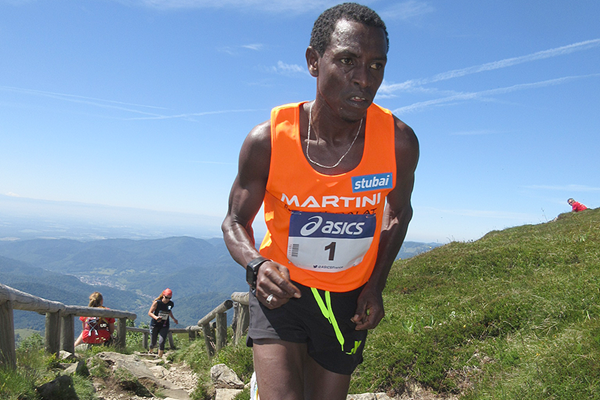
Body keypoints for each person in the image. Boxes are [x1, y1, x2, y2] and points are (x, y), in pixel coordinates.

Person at [222, 3, 419, 399]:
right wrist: (257, 265)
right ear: (314, 61)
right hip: (282, 293)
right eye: (347, 60)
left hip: (348, 300)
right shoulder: (269, 140)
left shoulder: (398, 142)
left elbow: (399, 213)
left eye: (376, 65)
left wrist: (376, 285)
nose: (364, 78)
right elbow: (234, 221)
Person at [148, 288, 179, 357]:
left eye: (169, 298)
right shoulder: (157, 303)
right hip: (155, 324)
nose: (167, 299)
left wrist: (173, 318)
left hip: (164, 324)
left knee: (162, 341)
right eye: (166, 297)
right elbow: (150, 312)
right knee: (153, 342)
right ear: (163, 296)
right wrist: (156, 318)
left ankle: (160, 357)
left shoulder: (170, 304)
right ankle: (150, 351)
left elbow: (169, 311)